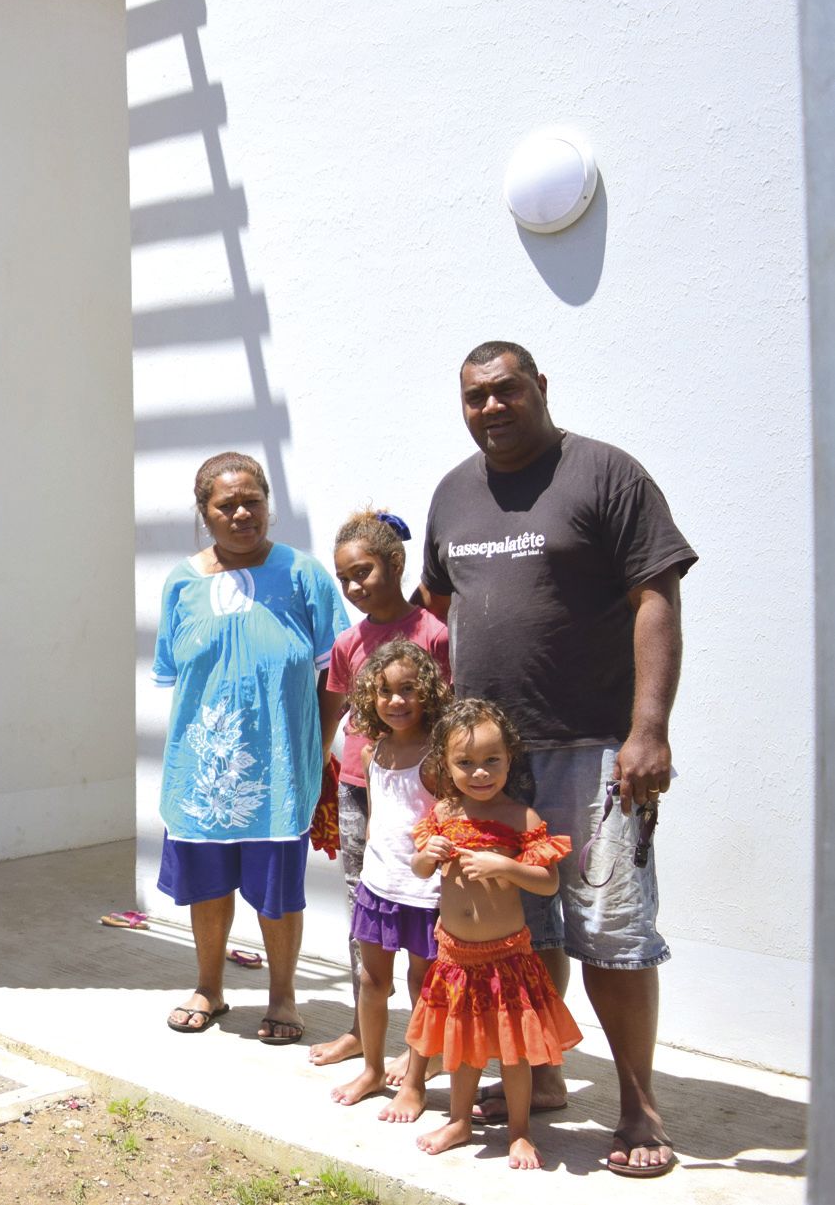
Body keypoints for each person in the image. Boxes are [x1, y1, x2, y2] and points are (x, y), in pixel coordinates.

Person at [419, 341, 695, 1178]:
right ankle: (537, 1073)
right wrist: (434, 745)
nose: (491, 408)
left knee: (610, 930)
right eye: (474, 397)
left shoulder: (606, 474)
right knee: (518, 928)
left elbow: (658, 594)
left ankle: (637, 1104)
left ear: (540, 387)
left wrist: (648, 729)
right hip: (491, 762)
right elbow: (438, 613)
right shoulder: (452, 492)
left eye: (506, 390)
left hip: (594, 747)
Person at [153, 452, 348, 1044]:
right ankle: (210, 987)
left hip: (282, 765)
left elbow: (336, 673)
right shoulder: (182, 583)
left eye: (252, 502)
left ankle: (283, 996)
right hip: (202, 768)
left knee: (277, 890)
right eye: (226, 504)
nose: (242, 513)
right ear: (204, 512)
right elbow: (178, 674)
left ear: (267, 503)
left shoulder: (302, 574)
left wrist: (318, 744)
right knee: (208, 886)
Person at [406, 699, 582, 1171]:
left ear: (509, 759)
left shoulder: (519, 817)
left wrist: (505, 865)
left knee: (513, 1051)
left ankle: (520, 1133)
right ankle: (459, 1120)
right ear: (446, 763)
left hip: (506, 957)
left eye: (491, 761)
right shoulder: (443, 813)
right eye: (465, 763)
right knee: (462, 1049)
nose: (479, 773)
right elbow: (419, 867)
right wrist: (429, 854)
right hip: (456, 958)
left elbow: (548, 882)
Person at [307, 510, 451, 1071]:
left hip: (421, 795)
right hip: (359, 791)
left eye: (362, 572)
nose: (352, 586)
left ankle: (426, 1044)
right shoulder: (348, 642)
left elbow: (448, 714)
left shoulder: (433, 635)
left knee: (424, 916)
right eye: (344, 578)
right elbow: (335, 707)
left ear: (396, 565)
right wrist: (322, 761)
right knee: (363, 910)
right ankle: (361, 1031)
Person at [330, 639, 448, 1121]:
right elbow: (379, 819)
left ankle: (417, 1080)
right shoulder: (375, 750)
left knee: (424, 987)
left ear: (428, 693)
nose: (396, 701)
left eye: (407, 689)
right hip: (379, 889)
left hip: (425, 893)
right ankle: (373, 1068)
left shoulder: (437, 755)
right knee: (372, 980)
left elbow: (443, 823)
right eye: (384, 691)